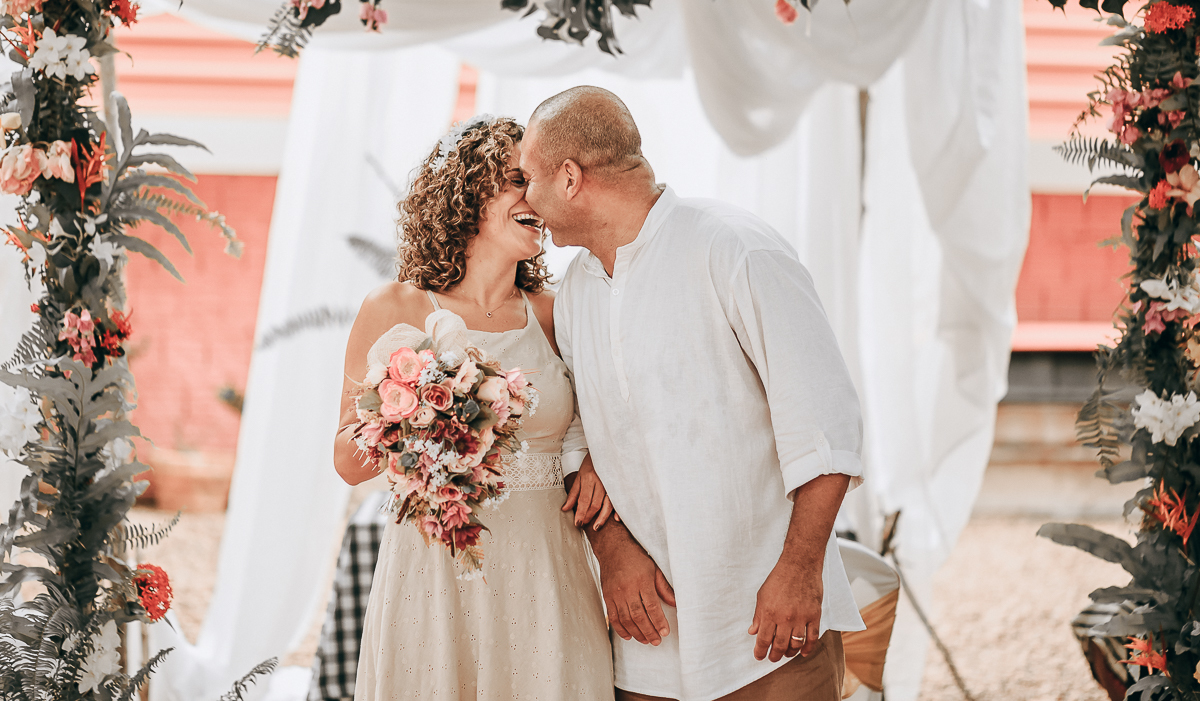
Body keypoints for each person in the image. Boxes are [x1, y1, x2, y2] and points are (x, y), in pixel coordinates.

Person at [519, 86, 867, 701]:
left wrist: (798, 572)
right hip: (648, 636)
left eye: (529, 179)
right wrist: (614, 549)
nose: (525, 199)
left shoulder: (734, 248)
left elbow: (826, 426)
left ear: (570, 178)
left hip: (765, 623)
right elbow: (577, 436)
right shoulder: (575, 290)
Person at [334, 115, 616, 700]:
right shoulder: (395, 306)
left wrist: (595, 460)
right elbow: (346, 460)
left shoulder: (558, 314)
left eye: (539, 182)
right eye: (517, 179)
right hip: (434, 571)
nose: (535, 197)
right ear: (467, 195)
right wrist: (414, 422)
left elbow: (612, 419)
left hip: (547, 568)